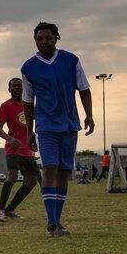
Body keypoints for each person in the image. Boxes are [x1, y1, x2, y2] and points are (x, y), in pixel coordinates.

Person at [20, 22, 95, 237]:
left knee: (63, 171)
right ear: (35, 41)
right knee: (49, 169)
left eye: (48, 38)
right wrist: (29, 131)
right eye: (39, 38)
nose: (44, 42)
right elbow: (27, 100)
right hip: (46, 126)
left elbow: (84, 89)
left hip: (70, 124)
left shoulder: (71, 60)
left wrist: (89, 115)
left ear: (56, 38)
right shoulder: (28, 67)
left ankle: (57, 221)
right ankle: (51, 223)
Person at [0, 77, 40, 221]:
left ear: (23, 88)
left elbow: (33, 126)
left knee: (31, 180)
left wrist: (33, 140)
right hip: (13, 148)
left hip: (26, 149)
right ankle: (0, 211)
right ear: (9, 89)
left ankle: (10, 209)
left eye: (19, 86)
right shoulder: (6, 106)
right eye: (13, 86)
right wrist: (10, 139)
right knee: (12, 176)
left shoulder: (29, 106)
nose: (16, 88)